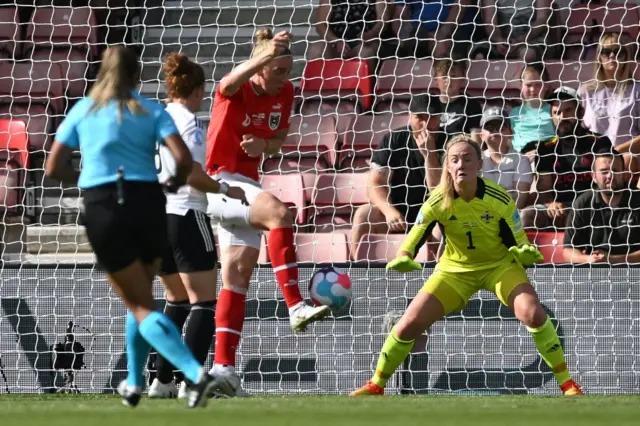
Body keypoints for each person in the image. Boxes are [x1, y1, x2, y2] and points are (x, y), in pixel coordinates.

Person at [44, 46, 220, 408]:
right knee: (140, 300)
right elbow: (183, 159)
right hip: (151, 206)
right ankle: (136, 382)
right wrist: (169, 187)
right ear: (138, 76)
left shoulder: (85, 109)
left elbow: (52, 168)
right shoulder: (152, 110)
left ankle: (194, 373)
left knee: (140, 303)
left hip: (105, 207)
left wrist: (87, 178)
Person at [350, 134, 583, 397]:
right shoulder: (438, 200)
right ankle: (376, 385)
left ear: (479, 164)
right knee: (406, 325)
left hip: (499, 267)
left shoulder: (499, 199)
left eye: (468, 159)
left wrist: (524, 252)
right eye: (455, 160)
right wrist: (404, 254)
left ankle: (567, 384)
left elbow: (517, 239)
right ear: (447, 166)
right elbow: (416, 233)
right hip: (454, 271)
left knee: (533, 313)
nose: (461, 165)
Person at [205, 28, 331, 396]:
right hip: (218, 182)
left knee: (237, 277)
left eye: (289, 70)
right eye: (278, 70)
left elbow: (277, 141)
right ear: (259, 66)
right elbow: (228, 83)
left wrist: (265, 144)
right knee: (279, 214)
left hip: (244, 186)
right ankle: (295, 306)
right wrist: (262, 55)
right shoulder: (235, 87)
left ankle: (224, 369)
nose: (284, 79)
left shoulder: (286, 92)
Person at [148, 53, 247, 399]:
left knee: (175, 301)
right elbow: (189, 171)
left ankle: (161, 381)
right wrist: (222, 187)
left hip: (156, 218)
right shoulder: (187, 123)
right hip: (186, 215)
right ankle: (192, 381)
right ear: (200, 90)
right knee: (204, 302)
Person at [350, 94, 442, 255]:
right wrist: (389, 211)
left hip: (434, 217)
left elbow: (439, 192)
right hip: (400, 216)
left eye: (431, 117)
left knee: (444, 226)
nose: (426, 123)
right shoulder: (393, 140)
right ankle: (353, 269)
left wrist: (430, 155)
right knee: (363, 214)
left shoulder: (451, 141)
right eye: (420, 117)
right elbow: (374, 184)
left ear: (440, 119)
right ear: (410, 117)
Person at [521, 86, 612, 230]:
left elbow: (607, 184)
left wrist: (580, 205)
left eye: (568, 111)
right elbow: (544, 190)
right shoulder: (546, 148)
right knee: (528, 214)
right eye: (556, 112)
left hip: (592, 207)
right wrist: (551, 204)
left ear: (580, 112)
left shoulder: (599, 143)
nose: (562, 117)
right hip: (559, 208)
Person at [563, 149, 640, 264]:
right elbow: (568, 251)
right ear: (593, 176)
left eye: (615, 170)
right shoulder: (583, 204)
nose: (610, 176)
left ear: (624, 174)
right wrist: (588, 259)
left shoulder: (637, 200)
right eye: (604, 171)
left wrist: (612, 260)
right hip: (594, 273)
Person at [579, 32, 640, 151]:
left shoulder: (637, 91)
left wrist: (615, 152)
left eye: (618, 52)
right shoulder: (585, 92)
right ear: (599, 57)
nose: (612, 56)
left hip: (626, 156)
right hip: (594, 157)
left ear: (625, 57)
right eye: (606, 52)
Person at [479, 106, 533, 210]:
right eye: (489, 128)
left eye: (500, 127)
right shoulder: (476, 160)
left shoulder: (521, 160)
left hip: (510, 217)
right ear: (481, 135)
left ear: (510, 132)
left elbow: (520, 199)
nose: (495, 131)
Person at [509, 63, 556, 156]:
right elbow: (508, 141)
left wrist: (539, 152)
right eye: (528, 85)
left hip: (546, 156)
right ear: (521, 86)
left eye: (538, 85)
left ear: (546, 86)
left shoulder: (553, 110)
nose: (533, 89)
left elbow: (559, 138)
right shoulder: (514, 113)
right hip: (520, 159)